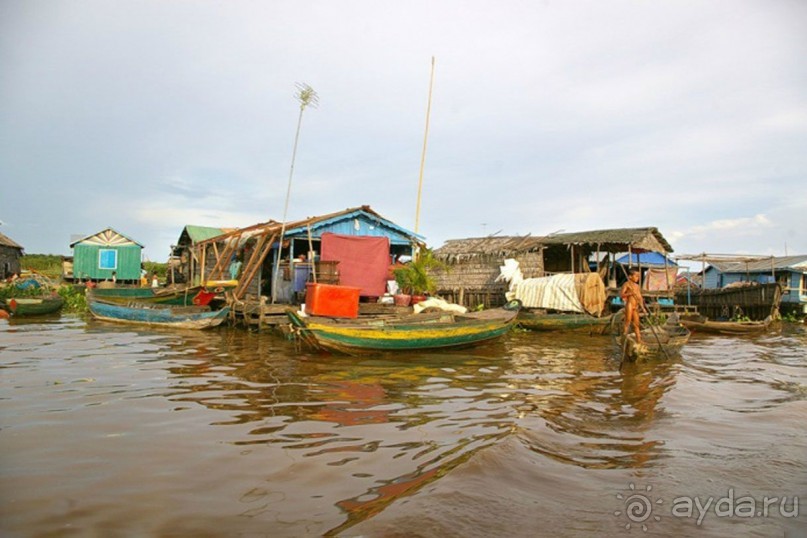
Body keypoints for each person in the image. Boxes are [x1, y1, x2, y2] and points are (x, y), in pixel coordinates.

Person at [620, 267, 646, 343]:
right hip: (630, 305)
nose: (638, 278)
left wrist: (642, 307)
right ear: (630, 276)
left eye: (639, 276)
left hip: (636, 306)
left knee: (636, 324)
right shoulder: (627, 284)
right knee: (627, 321)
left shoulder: (637, 286)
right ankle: (624, 337)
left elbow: (640, 297)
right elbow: (622, 295)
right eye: (636, 276)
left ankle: (639, 339)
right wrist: (630, 293)